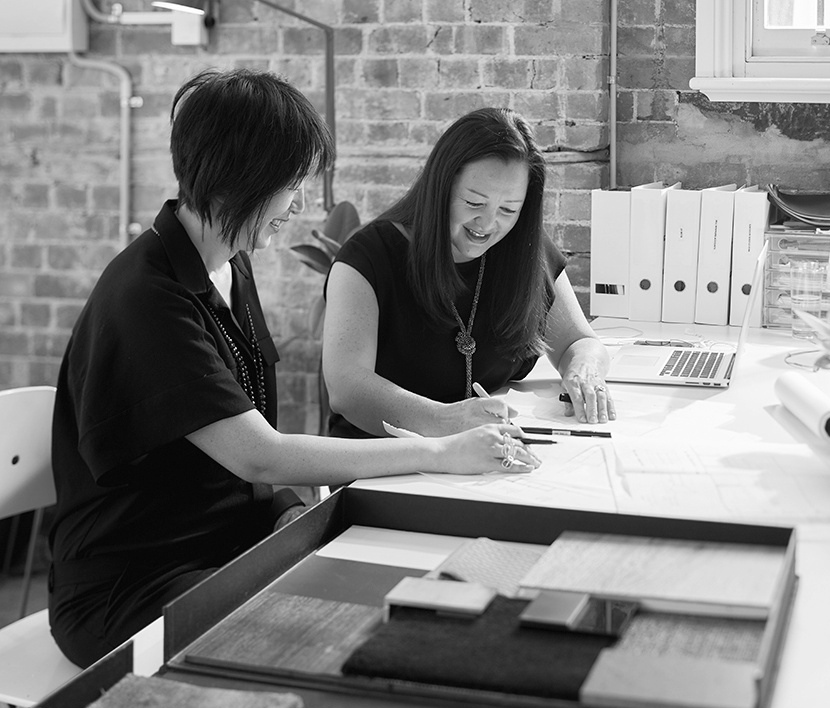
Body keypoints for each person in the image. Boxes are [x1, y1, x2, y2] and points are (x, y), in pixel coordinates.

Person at [48, 70, 539, 669]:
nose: (300, 204)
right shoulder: (148, 297)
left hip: (226, 548)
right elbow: (261, 453)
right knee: (336, 637)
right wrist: (439, 452)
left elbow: (234, 456)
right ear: (238, 180)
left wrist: (285, 510)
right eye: (292, 183)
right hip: (132, 585)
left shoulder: (228, 266)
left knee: (404, 591)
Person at [322, 108, 616, 440]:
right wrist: (446, 421)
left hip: (485, 455)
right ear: (441, 187)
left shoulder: (524, 249)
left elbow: (579, 342)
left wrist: (584, 371)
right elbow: (345, 386)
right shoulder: (368, 257)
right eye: (474, 203)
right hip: (383, 464)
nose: (489, 224)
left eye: (508, 209)